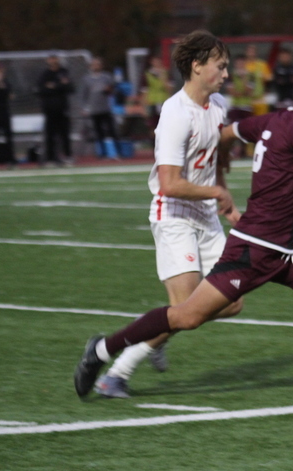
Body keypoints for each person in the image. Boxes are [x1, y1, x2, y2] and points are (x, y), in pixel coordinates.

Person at [74, 58, 293, 398]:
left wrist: (222, 157)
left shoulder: (274, 119)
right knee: (186, 316)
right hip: (253, 250)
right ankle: (102, 350)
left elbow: (228, 133)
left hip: (286, 249)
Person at [91, 30, 243, 399]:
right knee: (185, 310)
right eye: (220, 66)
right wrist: (216, 192)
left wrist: (226, 201)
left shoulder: (218, 104)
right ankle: (115, 374)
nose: (226, 74)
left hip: (206, 215)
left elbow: (215, 157)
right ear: (197, 66)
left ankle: (155, 330)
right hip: (173, 213)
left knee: (232, 302)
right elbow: (170, 184)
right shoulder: (175, 114)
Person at [36, 54, 74, 166]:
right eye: (51, 58)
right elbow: (40, 90)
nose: (53, 61)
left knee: (65, 134)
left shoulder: (64, 72)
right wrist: (59, 85)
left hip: (63, 108)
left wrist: (54, 86)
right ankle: (50, 158)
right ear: (48, 60)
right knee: (50, 135)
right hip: (49, 109)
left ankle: (68, 156)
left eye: (55, 58)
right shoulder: (45, 74)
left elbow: (70, 87)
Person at [81, 56, 121, 158]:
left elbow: (115, 91)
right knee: (98, 132)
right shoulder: (87, 79)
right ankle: (102, 153)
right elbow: (84, 95)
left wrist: (109, 90)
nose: (95, 66)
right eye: (94, 64)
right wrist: (85, 108)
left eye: (97, 64)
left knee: (112, 130)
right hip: (94, 109)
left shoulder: (106, 77)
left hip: (106, 108)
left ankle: (118, 152)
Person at [0, 62, 16, 168]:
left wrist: (0, 82)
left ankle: (10, 160)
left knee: (8, 136)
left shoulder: (6, 82)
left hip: (5, 112)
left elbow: (9, 95)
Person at [141, 55, 173, 135]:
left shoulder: (166, 73)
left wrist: (163, 77)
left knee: (165, 124)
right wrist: (143, 106)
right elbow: (144, 91)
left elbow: (170, 89)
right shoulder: (147, 74)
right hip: (152, 102)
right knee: (153, 125)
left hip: (164, 101)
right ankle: (154, 140)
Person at [244, 44, 273, 116]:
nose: (251, 53)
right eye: (249, 51)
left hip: (260, 97)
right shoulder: (243, 64)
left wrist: (263, 76)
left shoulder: (262, 64)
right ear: (246, 52)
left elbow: (270, 78)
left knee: (262, 118)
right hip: (245, 98)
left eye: (253, 51)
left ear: (256, 53)